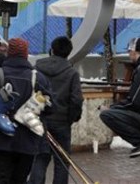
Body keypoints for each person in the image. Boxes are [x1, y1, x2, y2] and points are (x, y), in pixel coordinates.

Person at [0, 38, 53, 184]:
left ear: (8, 53)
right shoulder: (37, 78)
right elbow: (51, 107)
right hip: (26, 142)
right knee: (19, 179)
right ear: (26, 55)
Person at [28, 36, 83, 184]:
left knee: (40, 157)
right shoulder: (72, 73)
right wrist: (71, 119)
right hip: (61, 122)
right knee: (62, 161)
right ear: (68, 52)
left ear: (51, 50)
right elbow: (76, 100)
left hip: (39, 120)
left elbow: (30, 91)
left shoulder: (37, 69)